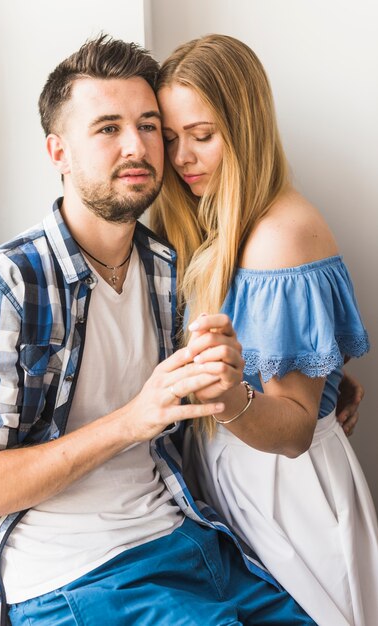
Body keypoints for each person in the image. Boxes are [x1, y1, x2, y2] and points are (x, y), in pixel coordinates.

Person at [0, 34, 320, 626]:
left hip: (187, 539)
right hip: (72, 576)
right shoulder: (6, 283)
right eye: (107, 128)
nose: (138, 147)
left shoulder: (168, 267)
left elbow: (239, 388)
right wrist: (131, 419)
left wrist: (317, 388)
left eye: (149, 125)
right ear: (59, 152)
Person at [151, 33, 378, 626]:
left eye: (202, 136)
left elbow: (294, 431)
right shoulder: (211, 220)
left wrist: (228, 400)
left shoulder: (279, 235)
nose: (181, 158)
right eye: (171, 138)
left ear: (245, 128)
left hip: (285, 489)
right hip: (239, 472)